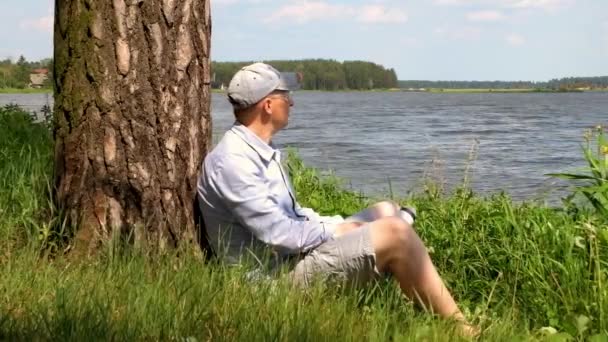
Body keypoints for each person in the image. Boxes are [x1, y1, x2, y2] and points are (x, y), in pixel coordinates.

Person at [197, 63, 477, 336]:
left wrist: (338, 225)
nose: (291, 103)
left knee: (386, 209)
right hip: (271, 282)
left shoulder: (257, 148)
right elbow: (278, 233)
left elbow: (291, 216)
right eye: (286, 96)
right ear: (268, 105)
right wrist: (336, 230)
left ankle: (407, 285)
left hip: (288, 259)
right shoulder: (233, 162)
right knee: (397, 232)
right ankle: (463, 331)